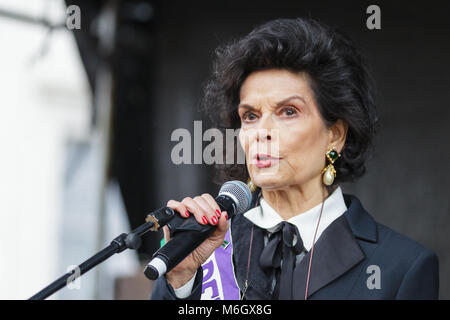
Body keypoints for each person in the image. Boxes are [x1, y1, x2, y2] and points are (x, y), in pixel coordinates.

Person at [150, 17, 439, 300]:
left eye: (288, 111)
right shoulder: (207, 249)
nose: (262, 132)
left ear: (335, 134)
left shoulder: (400, 267)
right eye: (250, 116)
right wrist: (182, 284)